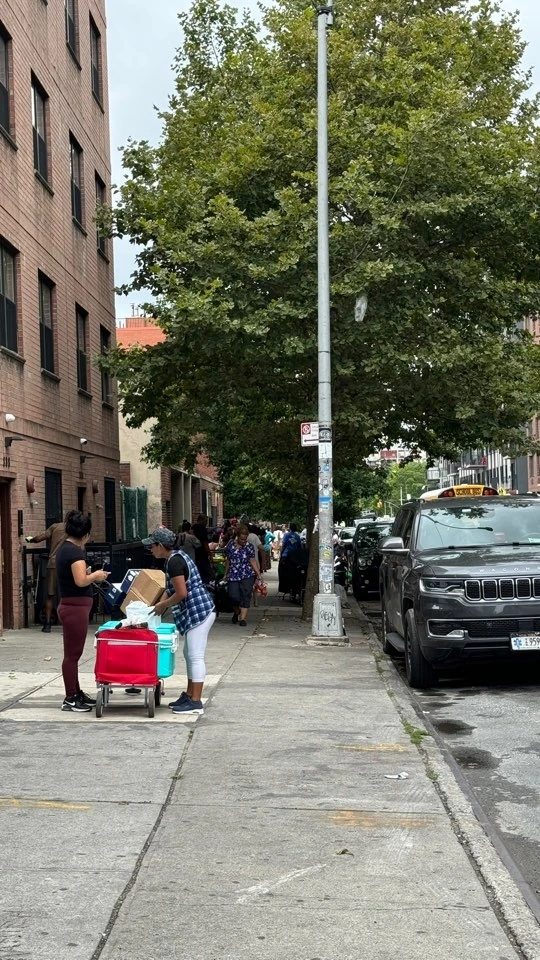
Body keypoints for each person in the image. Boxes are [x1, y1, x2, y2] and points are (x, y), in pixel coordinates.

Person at [143, 527, 216, 715]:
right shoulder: (175, 557)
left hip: (199, 611)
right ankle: (190, 695)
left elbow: (181, 593)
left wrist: (163, 605)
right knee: (189, 653)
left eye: (152, 546)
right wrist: (157, 607)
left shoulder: (174, 562)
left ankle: (196, 701)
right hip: (197, 611)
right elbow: (171, 589)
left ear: (161, 546)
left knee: (195, 656)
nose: (151, 550)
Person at [56, 510, 110, 712]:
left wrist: (87, 574)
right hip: (75, 608)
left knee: (72, 654)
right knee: (73, 655)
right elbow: (80, 581)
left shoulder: (64, 548)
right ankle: (71, 697)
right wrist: (96, 575)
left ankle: (76, 692)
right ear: (85, 534)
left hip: (72, 606)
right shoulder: (75, 552)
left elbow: (75, 577)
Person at [25, 516, 68, 632]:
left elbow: (40, 538)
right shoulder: (75, 529)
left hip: (53, 562)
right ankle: (68, 623)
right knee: (68, 595)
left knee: (50, 595)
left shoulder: (55, 527)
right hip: (68, 563)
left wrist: (30, 539)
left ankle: (47, 624)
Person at [224, 523, 260, 626]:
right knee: (233, 596)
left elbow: (252, 560)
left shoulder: (249, 547)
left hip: (247, 573)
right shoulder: (231, 545)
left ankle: (243, 619)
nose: (244, 541)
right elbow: (228, 560)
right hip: (233, 573)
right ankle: (237, 611)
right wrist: (225, 574)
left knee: (246, 594)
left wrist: (258, 573)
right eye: (241, 539)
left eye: (245, 539)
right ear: (237, 536)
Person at [192, 513, 213, 584]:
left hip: (194, 553)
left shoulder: (193, 528)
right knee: (205, 572)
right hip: (202, 554)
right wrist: (209, 553)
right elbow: (205, 542)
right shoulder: (202, 529)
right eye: (205, 521)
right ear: (201, 520)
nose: (206, 523)